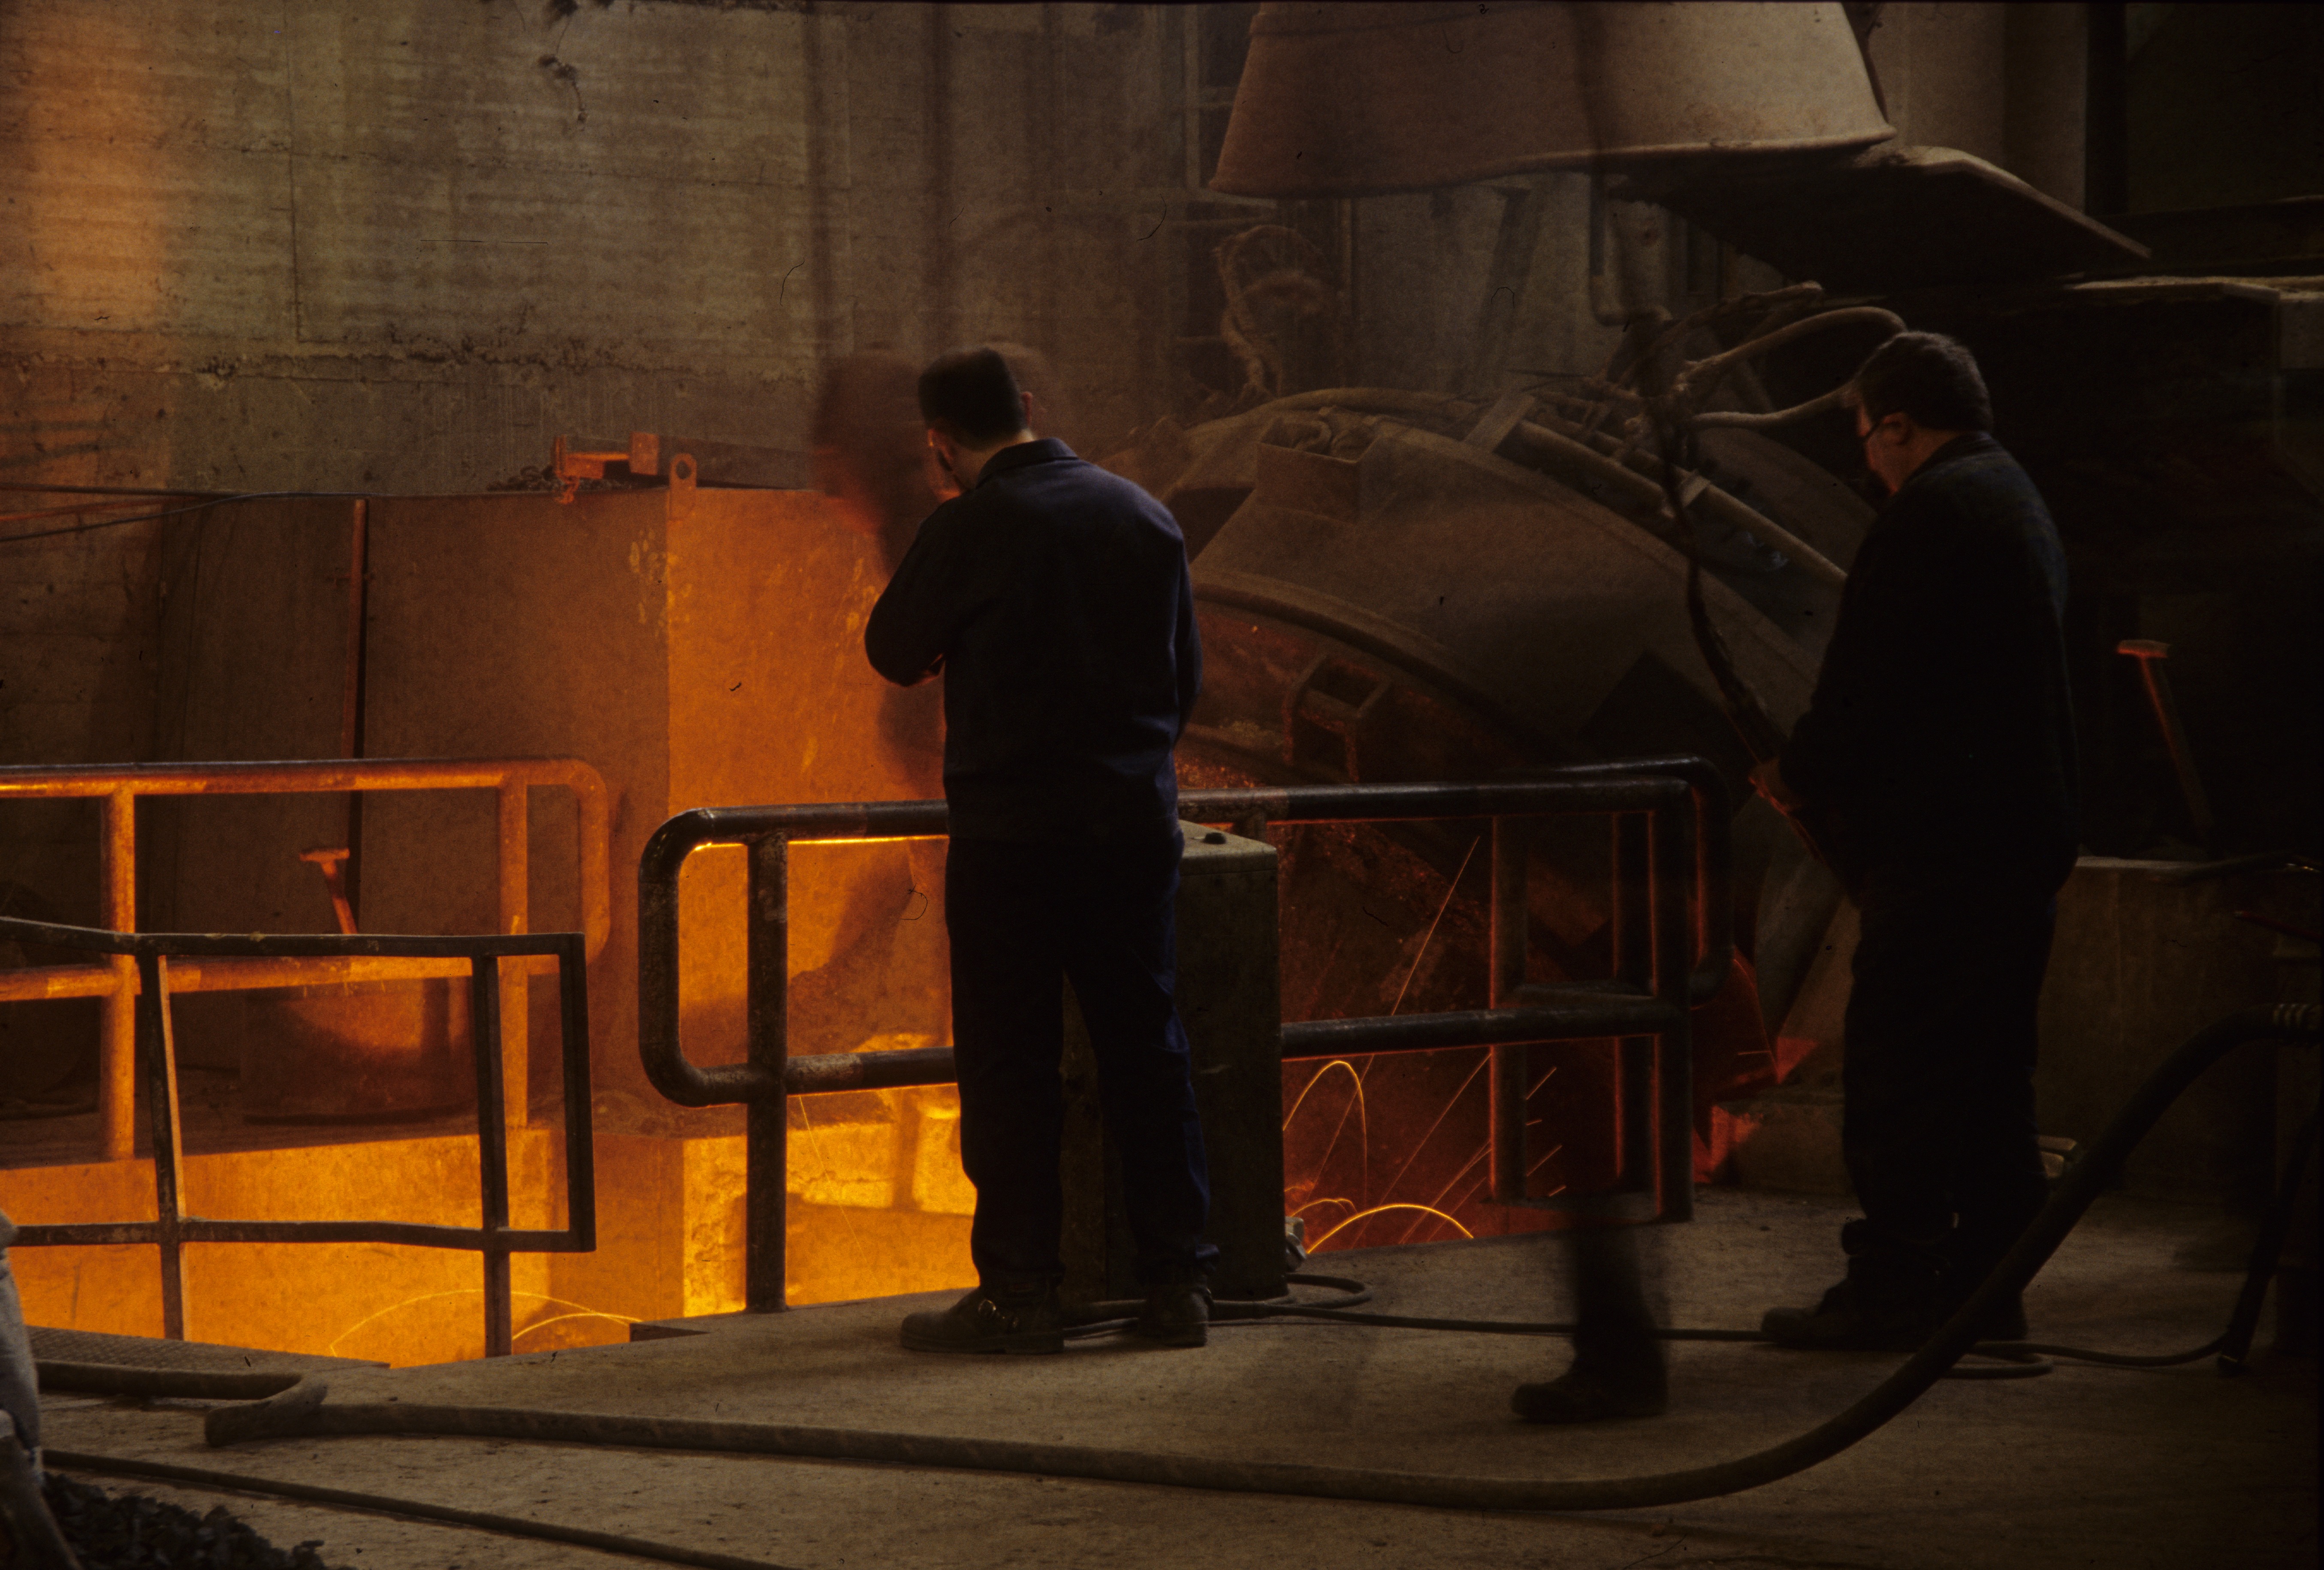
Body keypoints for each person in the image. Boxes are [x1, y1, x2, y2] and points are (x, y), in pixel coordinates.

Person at [866, 346, 1216, 1353]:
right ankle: (1177, 1285)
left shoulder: (968, 527)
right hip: (1131, 832)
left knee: (1010, 1063)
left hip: (1011, 843)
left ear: (940, 445)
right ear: (1028, 404)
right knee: (1147, 1047)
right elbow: (1186, 681)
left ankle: (1022, 1295)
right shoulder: (1144, 516)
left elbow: (893, 651)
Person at [1754, 332, 2078, 1350]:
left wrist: (1797, 773)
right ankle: (1989, 1302)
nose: (1870, 464)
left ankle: (1893, 1292)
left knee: (1899, 1079)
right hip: (2017, 848)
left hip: (1943, 854)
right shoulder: (2014, 495)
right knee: (1987, 1086)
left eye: (1868, 440)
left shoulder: (1930, 512)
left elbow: (1866, 686)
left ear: (1897, 424)